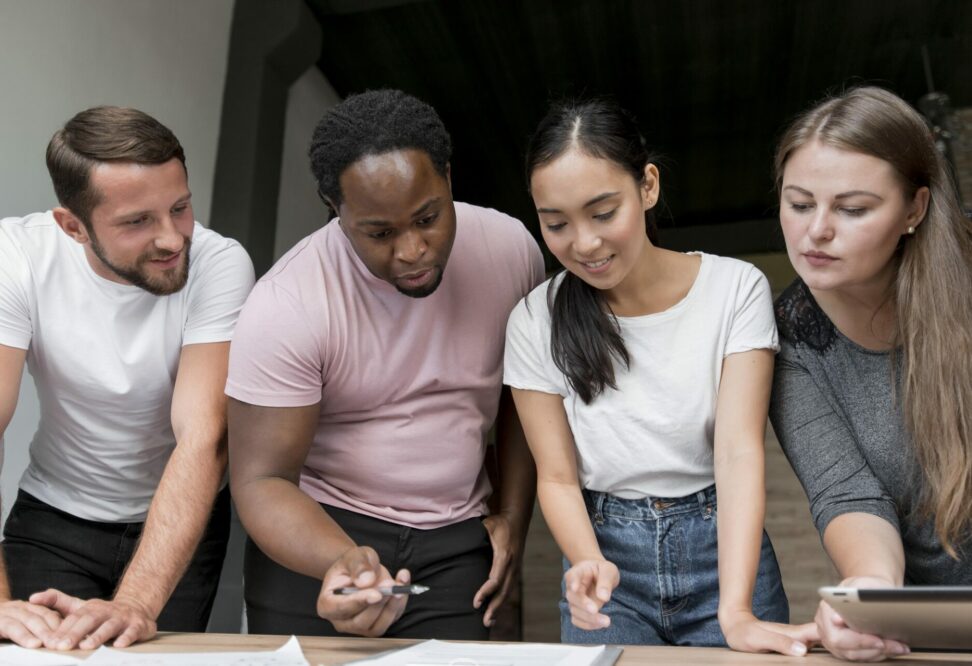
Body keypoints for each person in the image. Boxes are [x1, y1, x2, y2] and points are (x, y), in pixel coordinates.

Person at [226, 89, 545, 639]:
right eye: (379, 233)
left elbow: (525, 400)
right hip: (319, 535)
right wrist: (341, 560)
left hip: (455, 538)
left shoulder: (511, 251)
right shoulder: (287, 303)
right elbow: (262, 479)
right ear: (335, 207)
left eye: (428, 217)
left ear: (447, 175)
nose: (413, 249)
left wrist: (514, 516)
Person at [504, 99, 818, 654]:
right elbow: (555, 476)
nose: (584, 243)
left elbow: (738, 452)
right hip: (606, 558)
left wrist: (737, 609)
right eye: (556, 223)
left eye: (603, 213)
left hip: (720, 547)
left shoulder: (734, 289)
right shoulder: (534, 319)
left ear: (647, 186)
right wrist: (586, 564)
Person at [0, 106, 255, 650]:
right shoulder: (16, 257)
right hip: (53, 521)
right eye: (138, 221)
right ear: (72, 225)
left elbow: (204, 435)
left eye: (180, 208)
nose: (172, 239)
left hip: (179, 524)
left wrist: (138, 601)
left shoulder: (220, 264)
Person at [770, 86, 972, 661]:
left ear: (915, 208)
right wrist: (868, 591)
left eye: (853, 209)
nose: (817, 231)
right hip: (935, 637)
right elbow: (848, 493)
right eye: (800, 203)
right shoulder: (790, 339)